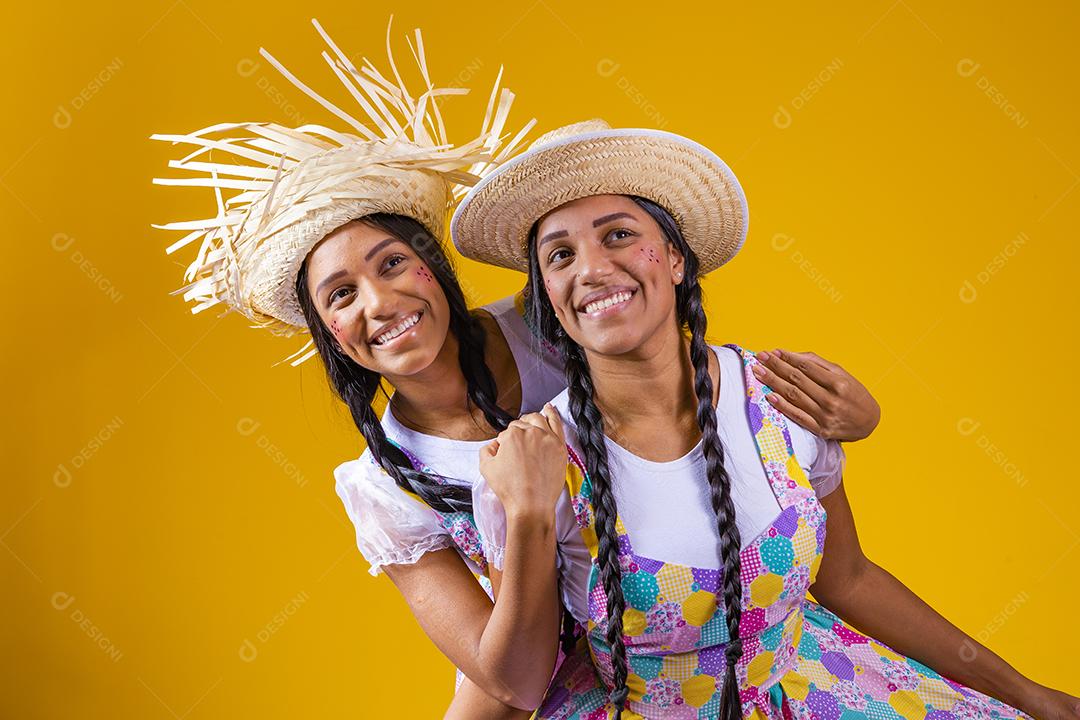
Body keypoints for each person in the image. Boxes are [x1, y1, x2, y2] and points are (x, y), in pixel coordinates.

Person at [154, 23, 882, 715]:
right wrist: (527, 514)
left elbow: (667, 356)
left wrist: (837, 423)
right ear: (331, 337)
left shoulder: (545, 324)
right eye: (341, 296)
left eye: (393, 264)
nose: (379, 303)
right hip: (551, 657)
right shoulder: (384, 487)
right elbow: (505, 681)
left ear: (436, 269)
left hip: (700, 610)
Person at [452, 119, 1080, 720]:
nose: (590, 268)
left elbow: (850, 580)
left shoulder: (780, 397)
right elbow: (518, 680)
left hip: (813, 689)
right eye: (560, 255)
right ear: (548, 295)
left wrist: (1031, 695)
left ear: (675, 258)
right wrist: (528, 516)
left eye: (617, 235)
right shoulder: (534, 463)